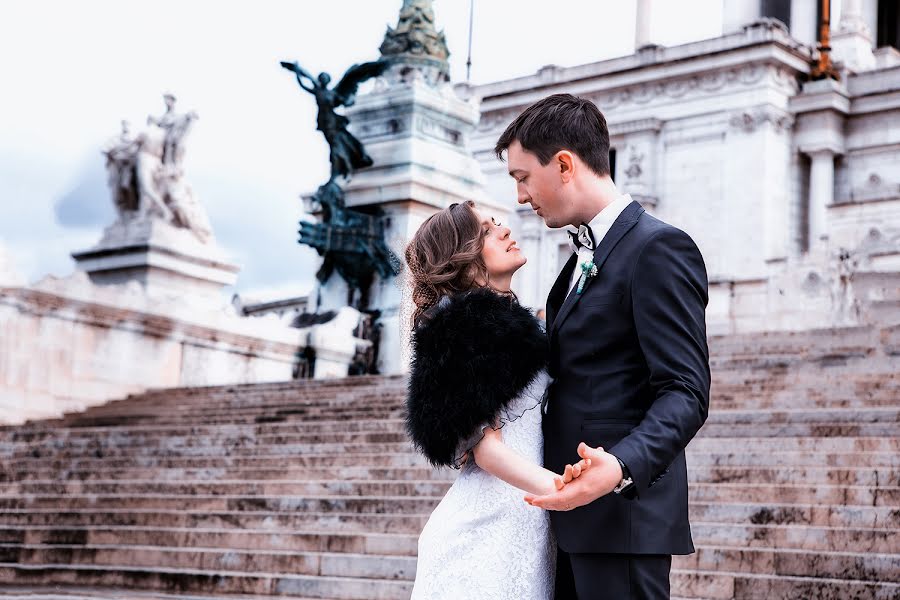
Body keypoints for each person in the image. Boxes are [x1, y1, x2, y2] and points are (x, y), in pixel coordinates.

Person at [494, 94, 711, 599]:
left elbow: (686, 391)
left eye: (522, 177)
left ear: (564, 164)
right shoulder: (573, 265)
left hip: (623, 522)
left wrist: (620, 465)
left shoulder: (659, 248)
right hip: (570, 520)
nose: (521, 197)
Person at [405, 200, 591, 600]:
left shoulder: (514, 327)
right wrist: (561, 488)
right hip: (487, 525)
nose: (505, 229)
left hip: (525, 517)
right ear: (465, 260)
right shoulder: (460, 332)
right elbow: (485, 448)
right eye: (487, 231)